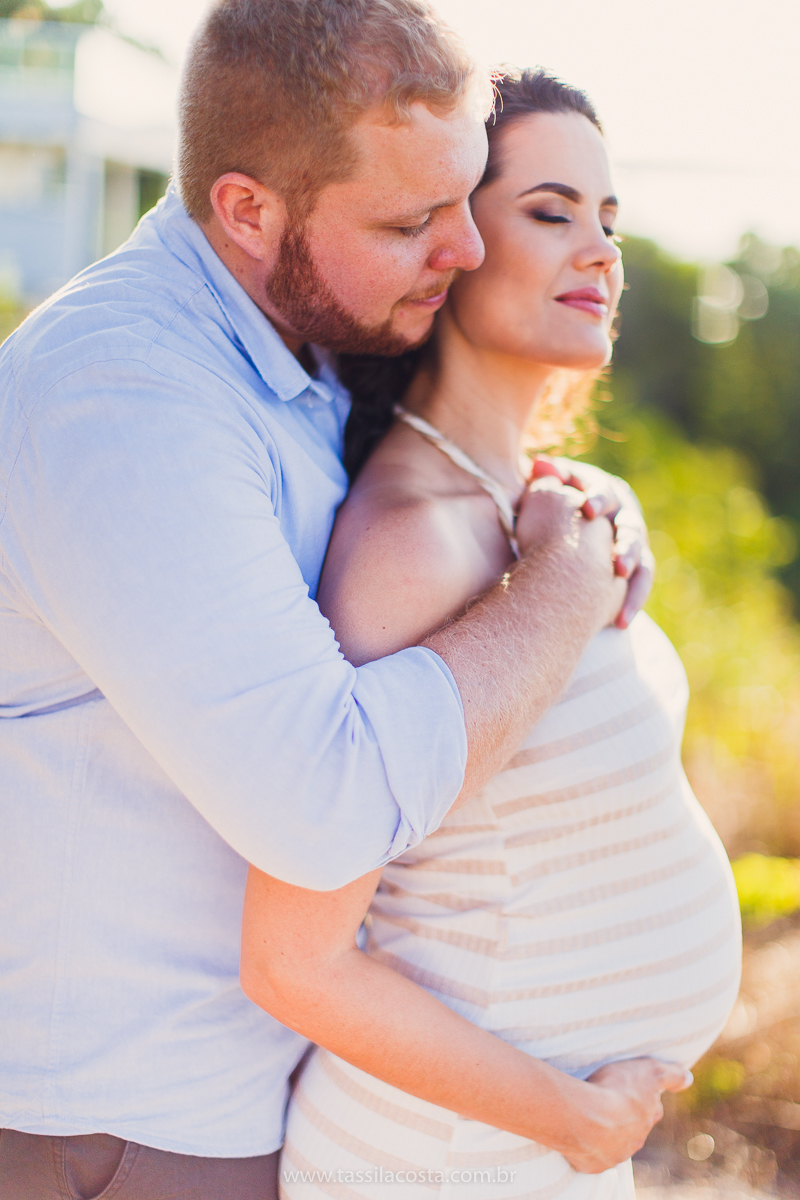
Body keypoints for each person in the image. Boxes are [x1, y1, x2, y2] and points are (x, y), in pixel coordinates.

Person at [0, 3, 651, 1197]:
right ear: (246, 209)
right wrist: (564, 581)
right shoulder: (125, 395)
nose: (463, 249)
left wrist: (583, 499)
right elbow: (322, 803)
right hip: (112, 1131)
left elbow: (453, 448)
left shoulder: (299, 333)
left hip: (238, 1107)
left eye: (467, 197)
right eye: (414, 220)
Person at [240, 71, 742, 1200]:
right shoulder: (411, 543)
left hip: (532, 1146)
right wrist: (567, 1119)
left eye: (610, 222)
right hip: (439, 1154)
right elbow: (293, 962)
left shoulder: (542, 508)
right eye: (553, 211)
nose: (603, 254)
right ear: (447, 242)